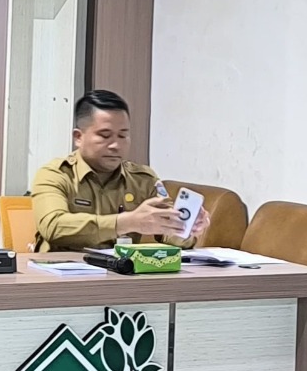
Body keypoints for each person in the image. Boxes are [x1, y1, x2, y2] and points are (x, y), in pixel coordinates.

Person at [31, 89, 211, 252]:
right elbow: (53, 226)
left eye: (123, 135)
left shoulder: (143, 179)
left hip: (121, 278)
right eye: (105, 135)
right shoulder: (55, 174)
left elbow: (168, 232)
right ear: (78, 137)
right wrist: (127, 222)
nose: (116, 145)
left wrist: (185, 229)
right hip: (63, 280)